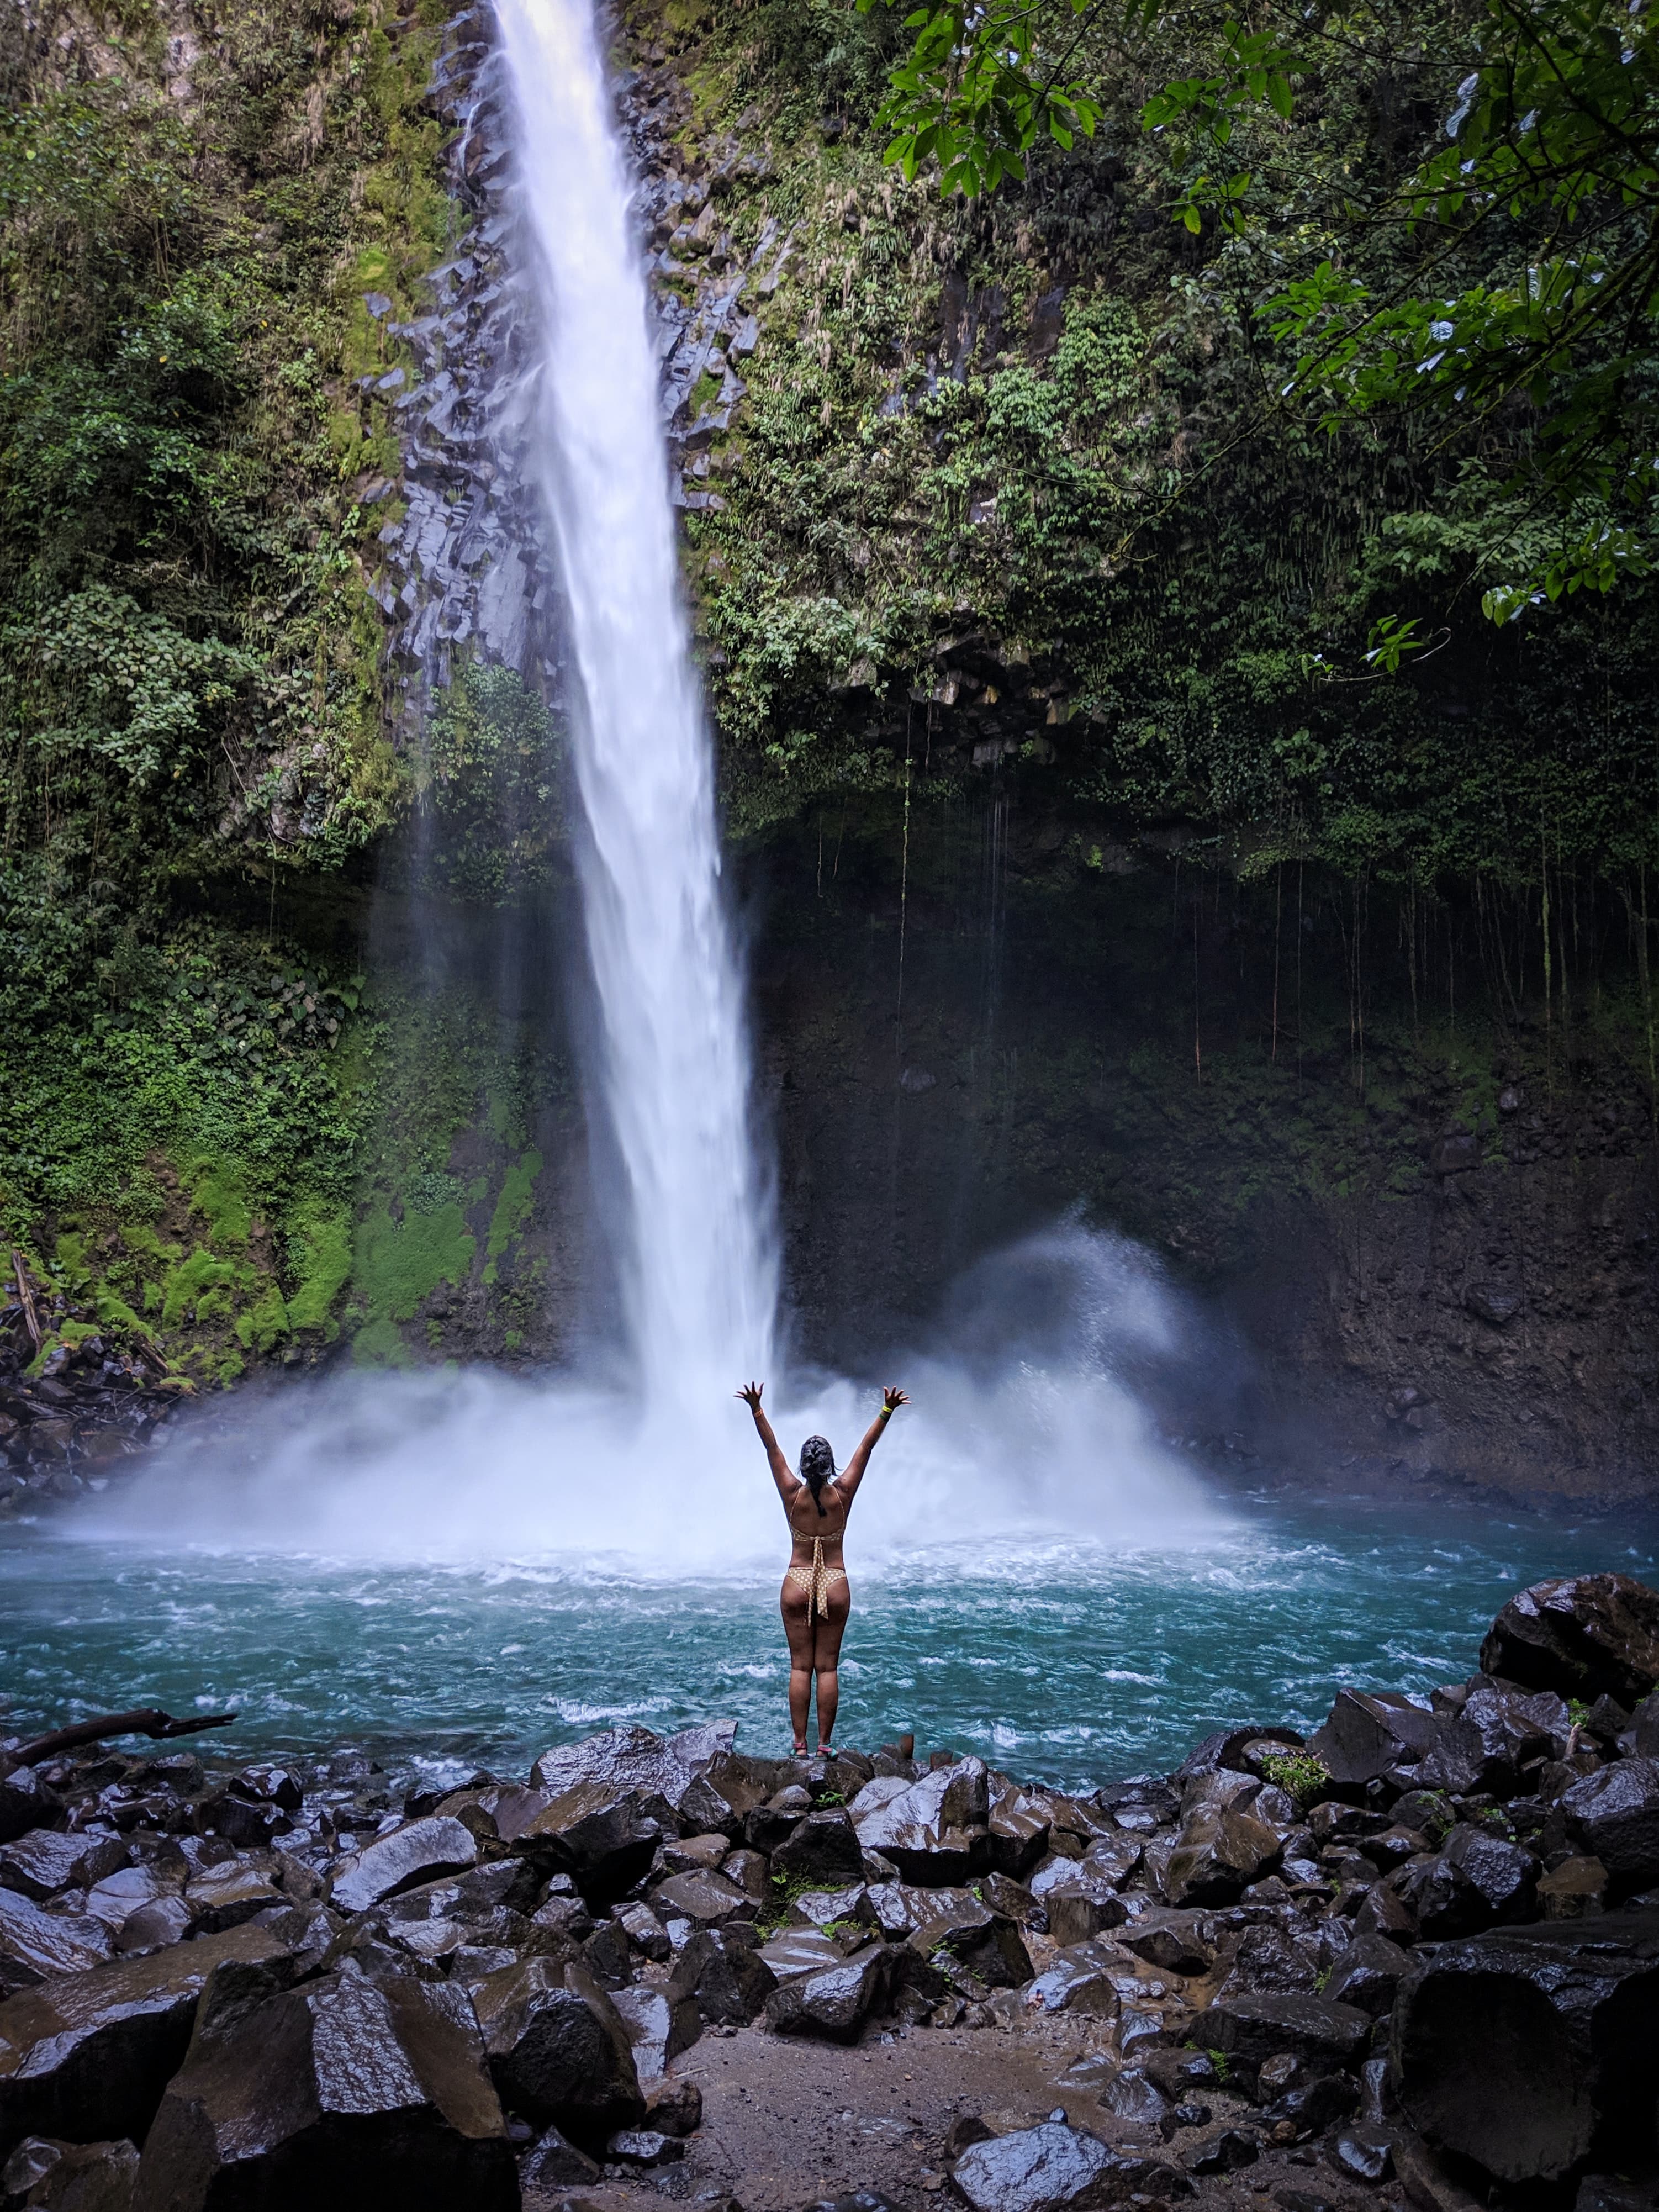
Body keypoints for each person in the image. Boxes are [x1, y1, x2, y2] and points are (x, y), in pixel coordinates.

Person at [736, 1380, 908, 1755]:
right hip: (834, 1579)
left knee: (800, 1667)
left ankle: (799, 1745)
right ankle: (825, 1746)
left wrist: (756, 1408)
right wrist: (886, 1410)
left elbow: (771, 1447)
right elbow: (867, 1448)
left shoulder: (790, 1492)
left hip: (797, 1578)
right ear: (830, 1465)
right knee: (827, 1669)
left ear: (804, 1465)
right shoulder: (843, 1494)